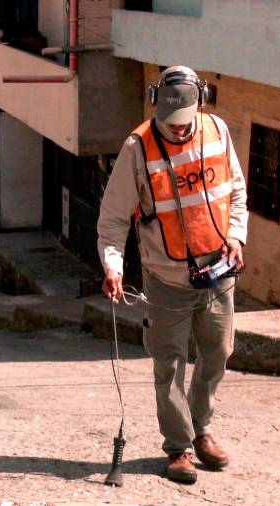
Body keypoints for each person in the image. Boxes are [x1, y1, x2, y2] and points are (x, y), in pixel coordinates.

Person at [97, 66, 248, 484]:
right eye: (169, 124)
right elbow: (112, 220)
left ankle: (202, 430)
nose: (178, 132)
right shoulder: (137, 147)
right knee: (169, 366)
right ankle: (178, 447)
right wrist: (113, 266)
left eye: (184, 125)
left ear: (201, 103)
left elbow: (235, 191)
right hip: (165, 281)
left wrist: (237, 237)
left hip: (219, 272)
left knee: (218, 352)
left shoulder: (216, 129)